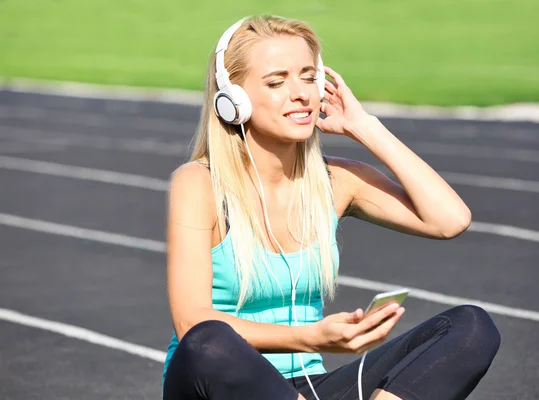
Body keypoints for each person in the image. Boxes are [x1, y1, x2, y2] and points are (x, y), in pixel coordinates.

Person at [162, 15, 501, 400]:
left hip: (309, 388)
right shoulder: (199, 184)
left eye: (308, 77)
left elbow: (450, 220)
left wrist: (364, 126)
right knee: (210, 342)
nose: (301, 93)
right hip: (215, 385)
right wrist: (310, 338)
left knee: (472, 327)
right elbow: (192, 321)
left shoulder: (337, 180)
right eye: (277, 82)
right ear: (232, 101)